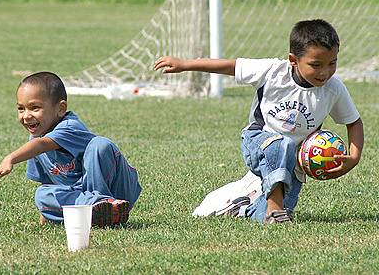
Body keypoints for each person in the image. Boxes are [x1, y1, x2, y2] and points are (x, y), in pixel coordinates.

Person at [154, 19, 364, 224]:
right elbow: (230, 66)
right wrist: (185, 64)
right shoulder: (273, 71)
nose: (325, 72)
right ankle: (274, 207)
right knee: (282, 145)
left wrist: (353, 156)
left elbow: (353, 121)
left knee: (275, 215)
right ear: (293, 59)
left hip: (293, 164)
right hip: (258, 141)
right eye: (316, 65)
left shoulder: (334, 89)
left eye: (332, 63)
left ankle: (242, 209)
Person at [0, 72, 142, 227]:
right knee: (42, 194)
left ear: (61, 109)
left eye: (35, 108)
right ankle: (97, 212)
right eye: (21, 109)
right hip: (81, 194)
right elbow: (48, 182)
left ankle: (104, 205)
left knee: (100, 145)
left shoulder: (69, 127)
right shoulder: (34, 143)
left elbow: (42, 144)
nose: (26, 116)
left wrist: (10, 158)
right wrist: (45, 217)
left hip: (117, 187)